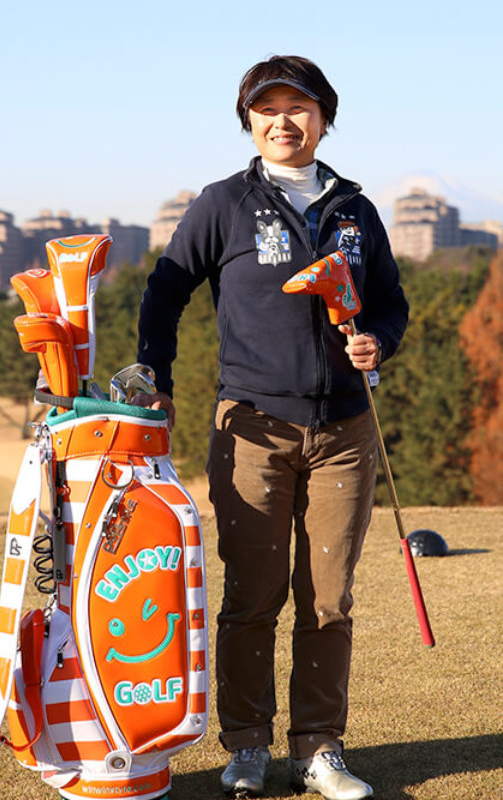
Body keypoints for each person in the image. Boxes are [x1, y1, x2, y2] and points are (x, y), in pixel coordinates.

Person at [134, 55, 408, 800]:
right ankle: (247, 745)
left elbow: (391, 302)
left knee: (329, 600)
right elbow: (165, 291)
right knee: (253, 596)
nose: (284, 121)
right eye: (268, 109)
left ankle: (318, 749)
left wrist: (377, 341)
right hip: (252, 425)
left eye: (300, 107)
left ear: (324, 118)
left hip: (345, 428)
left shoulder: (355, 210)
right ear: (249, 121)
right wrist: (155, 377)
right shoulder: (223, 203)